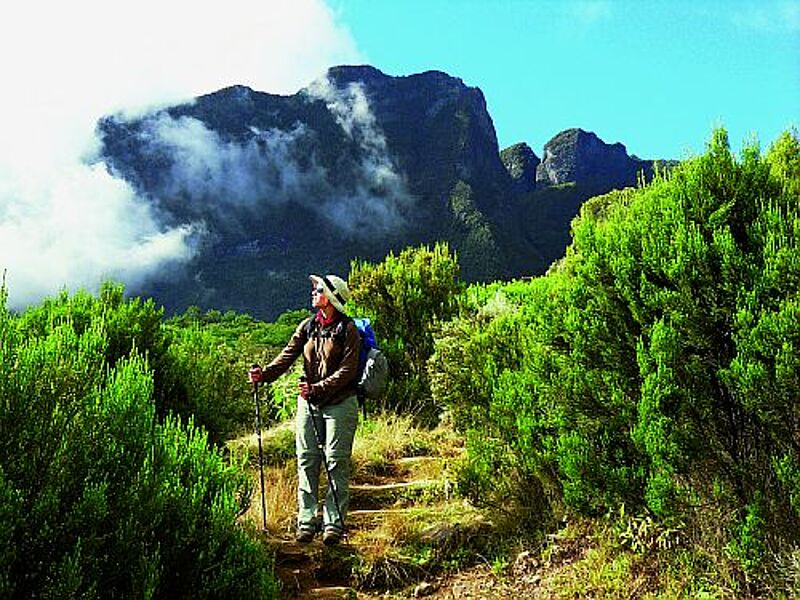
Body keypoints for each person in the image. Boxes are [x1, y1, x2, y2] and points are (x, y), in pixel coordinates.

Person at [249, 274, 360, 545]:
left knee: (336, 462)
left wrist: (317, 388)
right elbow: (287, 355)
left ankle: (333, 524)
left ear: (331, 297)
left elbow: (348, 372)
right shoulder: (308, 326)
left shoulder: (349, 330)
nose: (313, 292)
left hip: (340, 403)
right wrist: (264, 375)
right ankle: (306, 522)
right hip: (309, 402)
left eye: (318, 289)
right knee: (307, 459)